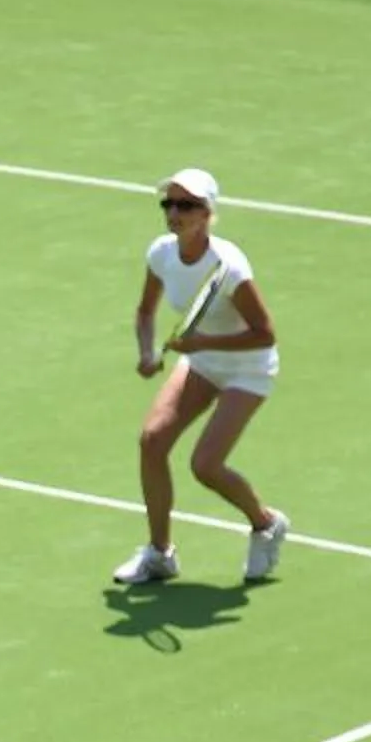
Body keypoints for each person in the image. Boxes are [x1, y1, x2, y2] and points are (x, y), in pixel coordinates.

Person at [113, 167, 291, 587]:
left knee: (205, 465)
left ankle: (266, 524)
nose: (175, 212)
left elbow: (265, 333)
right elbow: (144, 312)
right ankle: (159, 554)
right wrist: (145, 351)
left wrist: (201, 345)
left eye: (186, 205)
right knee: (152, 441)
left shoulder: (228, 266)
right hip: (203, 362)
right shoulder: (161, 252)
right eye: (169, 203)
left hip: (248, 367)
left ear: (207, 213)